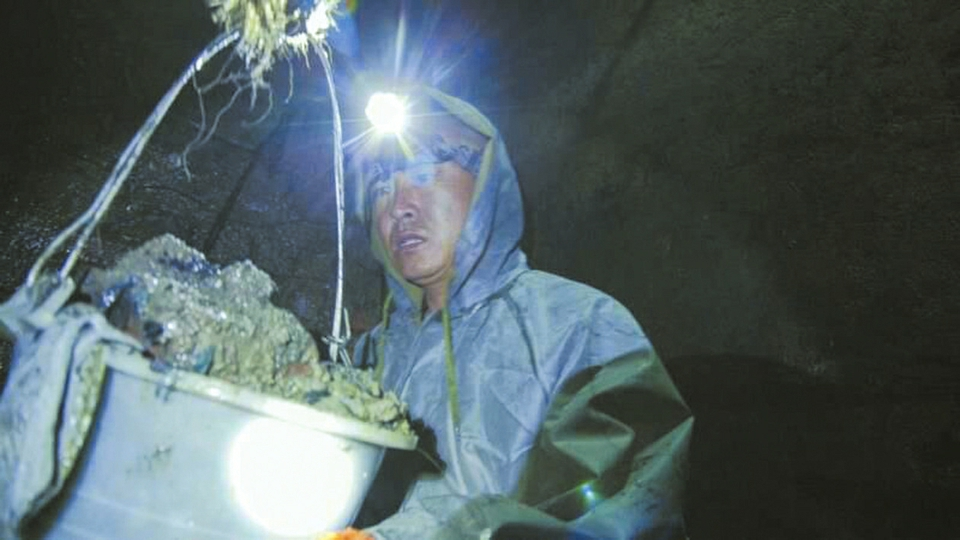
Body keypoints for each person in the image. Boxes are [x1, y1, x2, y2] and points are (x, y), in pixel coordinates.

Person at [342, 86, 693, 540]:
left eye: (425, 173)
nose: (398, 207)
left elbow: (613, 510)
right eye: (381, 188)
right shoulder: (367, 355)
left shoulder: (583, 326)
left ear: (486, 184)